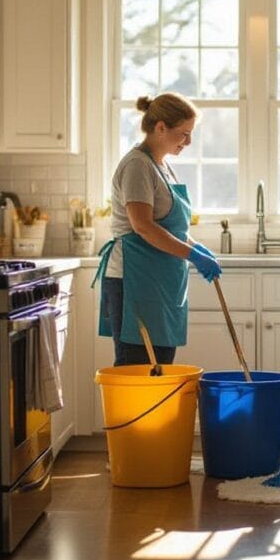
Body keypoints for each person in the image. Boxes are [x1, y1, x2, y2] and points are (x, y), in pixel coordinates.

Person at [93, 93, 222, 366]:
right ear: (161, 128)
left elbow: (170, 225)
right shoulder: (137, 166)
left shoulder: (162, 166)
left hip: (158, 283)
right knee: (138, 372)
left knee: (160, 370)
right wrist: (192, 255)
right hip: (135, 281)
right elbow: (143, 226)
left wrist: (194, 246)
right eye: (184, 134)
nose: (188, 142)